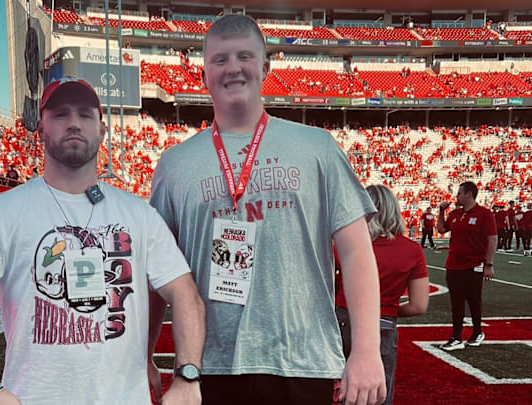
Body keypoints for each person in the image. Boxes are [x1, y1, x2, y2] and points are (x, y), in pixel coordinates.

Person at [149, 14, 385, 405]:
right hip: (206, 367)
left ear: (266, 66)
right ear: (203, 72)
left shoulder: (317, 147)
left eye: (244, 56)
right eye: (219, 59)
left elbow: (357, 251)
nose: (233, 68)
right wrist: (143, 354)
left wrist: (365, 349)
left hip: (301, 361)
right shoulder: (174, 164)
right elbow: (156, 269)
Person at [0, 77, 205, 405]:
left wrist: (187, 374)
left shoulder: (140, 215)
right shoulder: (1, 213)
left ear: (102, 131)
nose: (75, 123)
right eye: (61, 114)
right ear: (41, 128)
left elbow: (186, 295)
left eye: (85, 114)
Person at [336, 185, 429, 405]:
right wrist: (386, 310)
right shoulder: (412, 250)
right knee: (377, 396)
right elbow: (418, 306)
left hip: (340, 322)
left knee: (337, 392)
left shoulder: (341, 247)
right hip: (383, 324)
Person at [437, 181, 497, 351]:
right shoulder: (455, 214)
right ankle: (456, 336)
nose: (457, 196)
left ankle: (477, 332)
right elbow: (441, 229)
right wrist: (441, 211)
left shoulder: (484, 214)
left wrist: (488, 264)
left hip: (473, 265)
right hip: (453, 265)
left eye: (460, 193)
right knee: (456, 303)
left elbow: (492, 239)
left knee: (474, 300)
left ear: (469, 194)